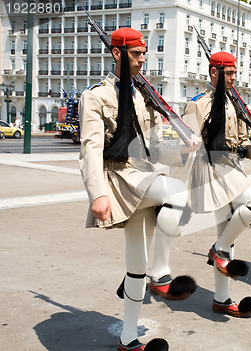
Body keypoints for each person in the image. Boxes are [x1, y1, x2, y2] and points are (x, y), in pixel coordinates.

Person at [78, 27, 201, 351]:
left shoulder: (143, 96)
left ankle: (127, 340)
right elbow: (90, 149)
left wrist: (185, 147)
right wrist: (98, 193)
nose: (143, 60)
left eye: (144, 53)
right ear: (117, 53)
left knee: (135, 266)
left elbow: (155, 145)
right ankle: (160, 276)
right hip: (119, 180)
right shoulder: (95, 97)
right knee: (176, 193)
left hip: (143, 176)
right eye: (136, 54)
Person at [182, 51, 251, 318]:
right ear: (214, 73)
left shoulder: (235, 102)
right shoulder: (199, 103)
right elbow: (180, 141)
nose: (235, 78)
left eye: (236, 73)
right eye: (229, 73)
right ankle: (218, 250)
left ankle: (222, 299)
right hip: (211, 168)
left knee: (227, 235)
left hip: (232, 167)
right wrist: (188, 143)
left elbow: (243, 144)